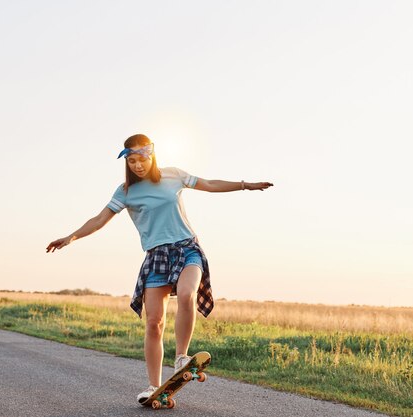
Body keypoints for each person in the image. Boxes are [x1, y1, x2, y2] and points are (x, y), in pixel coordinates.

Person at [46, 134, 273, 403]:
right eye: (131, 161)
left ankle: (181, 358)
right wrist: (71, 237)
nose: (137, 165)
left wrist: (245, 185)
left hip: (187, 248)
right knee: (154, 323)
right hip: (156, 256)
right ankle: (153, 386)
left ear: (152, 156)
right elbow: (99, 219)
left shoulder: (173, 175)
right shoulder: (126, 191)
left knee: (187, 294)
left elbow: (210, 184)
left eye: (142, 159)